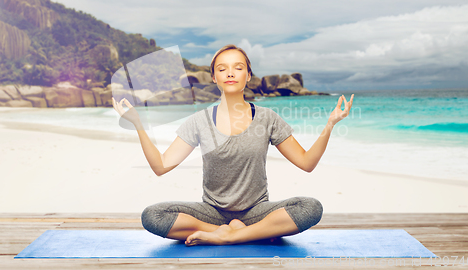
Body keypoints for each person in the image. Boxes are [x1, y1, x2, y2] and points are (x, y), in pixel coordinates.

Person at [112, 44, 354, 247]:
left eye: (238, 68)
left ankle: (231, 236)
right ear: (214, 77)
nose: (230, 73)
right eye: (222, 69)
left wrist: (330, 124)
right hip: (212, 213)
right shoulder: (200, 121)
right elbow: (161, 165)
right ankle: (235, 232)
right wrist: (138, 124)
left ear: (248, 75)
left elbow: (306, 163)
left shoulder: (267, 118)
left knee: (310, 208)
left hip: (257, 212)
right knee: (152, 216)